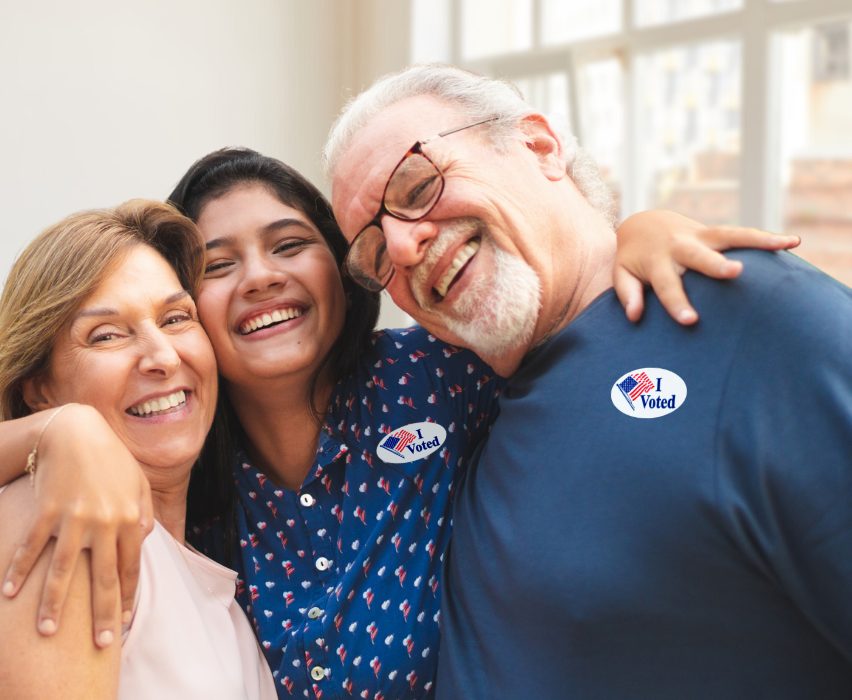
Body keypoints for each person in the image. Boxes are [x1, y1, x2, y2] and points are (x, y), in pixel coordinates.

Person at [0, 148, 794, 700]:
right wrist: (57, 435)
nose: (259, 276)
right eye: (217, 267)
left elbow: (561, 321)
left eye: (291, 244)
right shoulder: (152, 479)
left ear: (346, 269)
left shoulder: (439, 371)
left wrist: (628, 235)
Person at [323, 63, 852, 698]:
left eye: (417, 186)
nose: (405, 248)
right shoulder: (454, 399)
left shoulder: (753, 316)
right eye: (376, 251)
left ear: (541, 147)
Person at [0, 200, 276, 700]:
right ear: (39, 390)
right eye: (107, 335)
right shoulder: (58, 512)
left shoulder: (202, 572)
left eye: (177, 318)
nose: (162, 356)